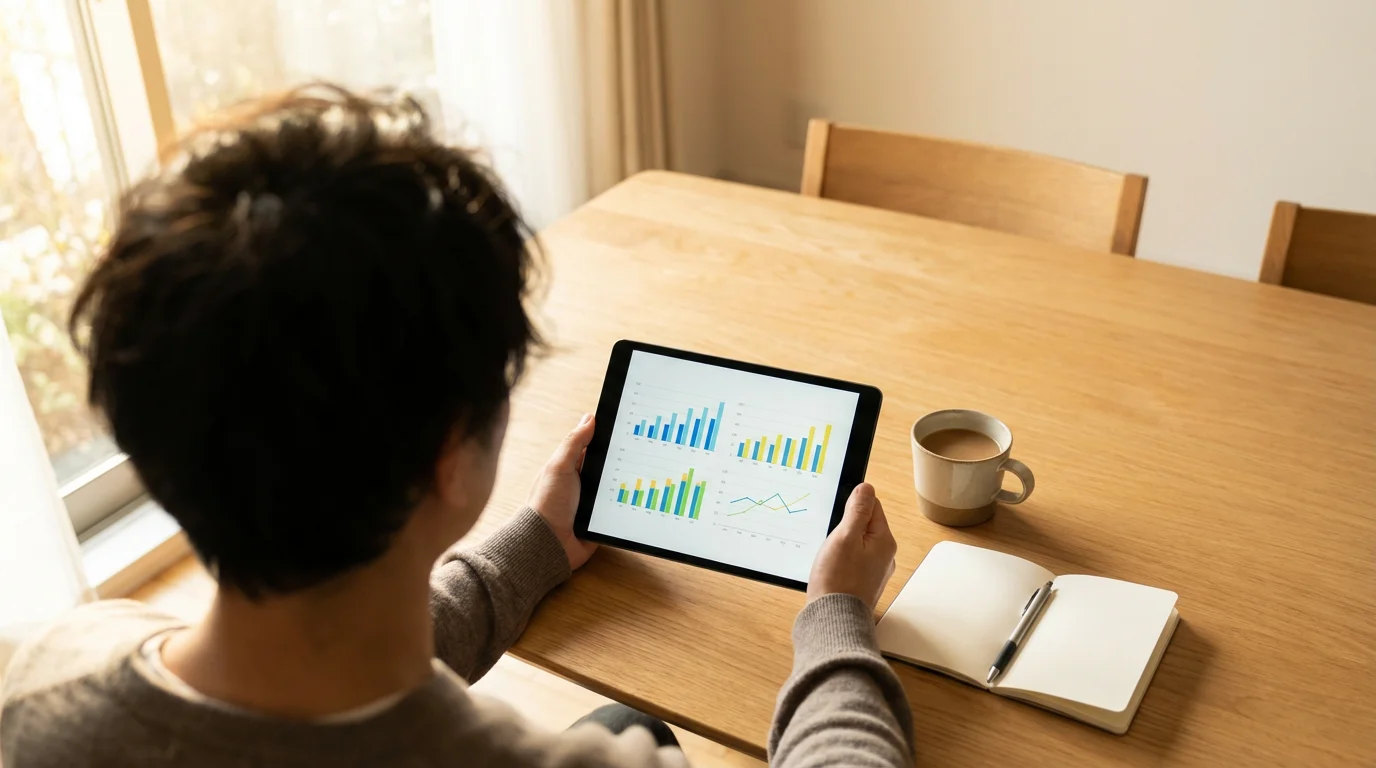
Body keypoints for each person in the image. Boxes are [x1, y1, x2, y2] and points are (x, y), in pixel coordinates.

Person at [0, 85, 912, 767]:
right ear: (451, 451)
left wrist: (536, 543)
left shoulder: (36, 674)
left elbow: (305, 686)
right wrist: (835, 622)